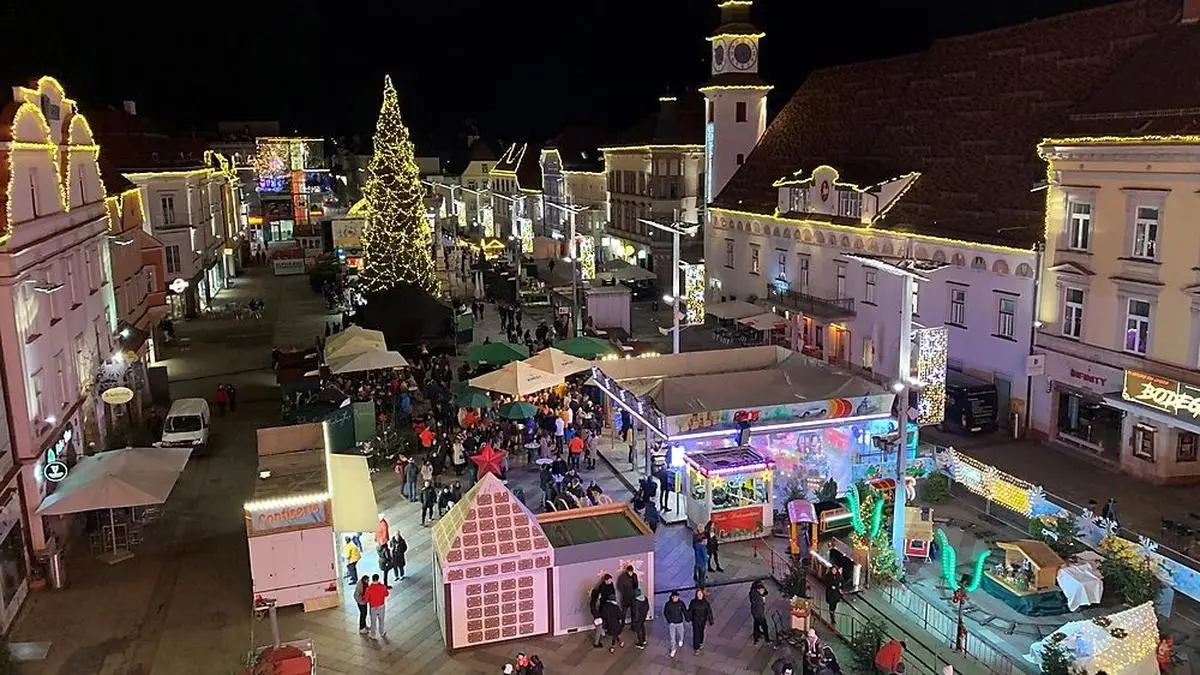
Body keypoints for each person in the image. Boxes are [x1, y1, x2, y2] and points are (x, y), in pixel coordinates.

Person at [687, 588, 714, 655]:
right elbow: (690, 611)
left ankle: (701, 643)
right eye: (698, 594)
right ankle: (696, 648)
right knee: (696, 634)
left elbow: (709, 612)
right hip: (695, 621)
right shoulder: (693, 602)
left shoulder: (706, 603)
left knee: (701, 632)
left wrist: (711, 620)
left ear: (702, 594)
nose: (699, 595)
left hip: (702, 621)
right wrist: (688, 618)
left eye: (700, 594)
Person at [663, 590, 688, 658]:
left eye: (677, 597)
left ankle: (681, 640)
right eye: (674, 597)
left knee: (681, 633)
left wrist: (687, 618)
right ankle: (673, 649)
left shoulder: (681, 603)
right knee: (672, 638)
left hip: (680, 622)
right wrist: (669, 621)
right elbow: (666, 613)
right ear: (672, 597)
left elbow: (684, 611)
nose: (676, 598)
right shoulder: (668, 604)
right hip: (672, 624)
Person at [365, 574, 389, 639]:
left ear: (372, 579)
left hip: (373, 607)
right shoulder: (382, 586)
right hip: (381, 606)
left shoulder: (369, 589)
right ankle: (382, 632)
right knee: (381, 620)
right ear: (378, 579)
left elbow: (366, 599)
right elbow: (386, 594)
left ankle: (373, 634)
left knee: (373, 621)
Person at [749, 579, 770, 645]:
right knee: (764, 626)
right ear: (758, 590)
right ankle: (767, 640)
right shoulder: (758, 599)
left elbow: (766, 592)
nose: (763, 591)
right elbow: (760, 608)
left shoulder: (753, 592)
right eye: (761, 590)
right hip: (759, 614)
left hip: (755, 613)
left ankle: (756, 638)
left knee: (756, 625)